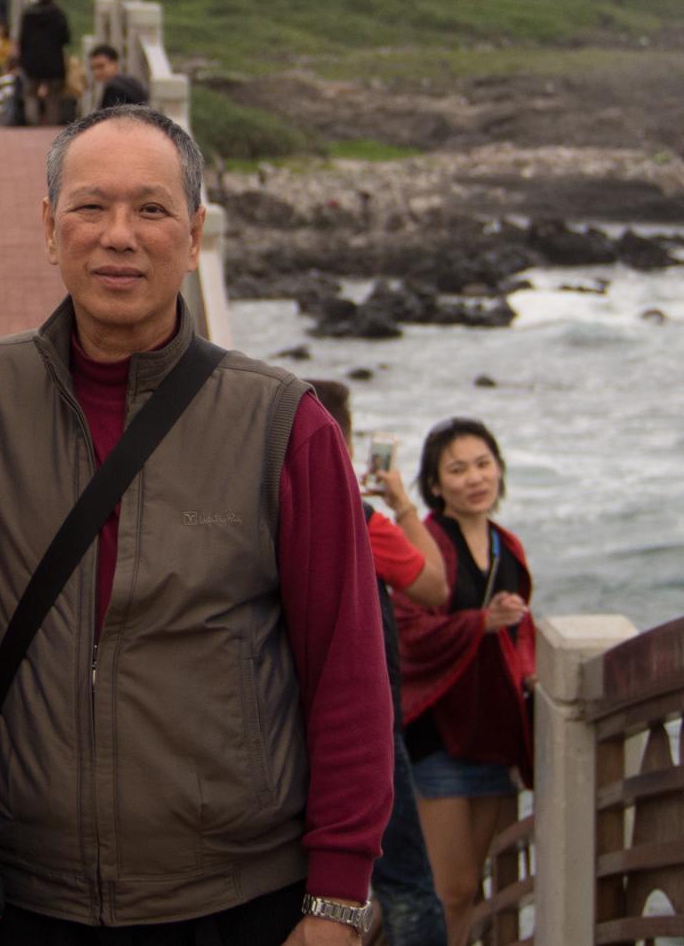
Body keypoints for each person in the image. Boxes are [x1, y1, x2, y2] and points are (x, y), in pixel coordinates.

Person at [0, 104, 392, 945]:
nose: (119, 235)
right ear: (49, 227)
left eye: (151, 208)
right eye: (90, 206)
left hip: (238, 897)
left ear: (195, 232)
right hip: (25, 894)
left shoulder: (282, 423)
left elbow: (346, 671)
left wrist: (338, 900)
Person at [307, 381, 450, 946]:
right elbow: (434, 587)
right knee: (406, 885)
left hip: (286, 722)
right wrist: (402, 503)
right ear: (341, 440)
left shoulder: (262, 506)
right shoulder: (361, 518)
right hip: (366, 724)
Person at [394, 417, 536, 943]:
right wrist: (480, 622)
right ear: (435, 484)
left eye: (483, 464)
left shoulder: (506, 545)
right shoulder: (428, 542)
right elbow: (407, 632)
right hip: (437, 736)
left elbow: (519, 638)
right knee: (448, 890)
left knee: (471, 889)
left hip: (492, 735)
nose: (475, 478)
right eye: (457, 470)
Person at [16, 0, 71, 126]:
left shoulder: (28, 14)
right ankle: (52, 125)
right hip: (54, 60)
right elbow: (66, 38)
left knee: (30, 94)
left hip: (31, 60)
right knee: (53, 96)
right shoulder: (58, 13)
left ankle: (32, 122)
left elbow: (22, 39)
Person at [87, 44, 149, 110]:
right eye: (93, 68)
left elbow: (112, 114)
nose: (96, 72)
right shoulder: (132, 82)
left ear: (115, 64)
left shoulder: (114, 88)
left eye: (100, 66)